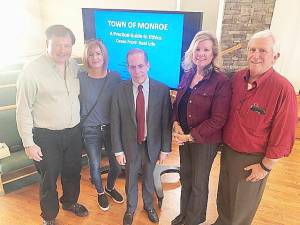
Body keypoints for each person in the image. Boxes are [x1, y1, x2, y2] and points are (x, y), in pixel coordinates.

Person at [214, 30, 297, 225]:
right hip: (228, 153)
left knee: (239, 211)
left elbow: (283, 136)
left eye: (262, 51)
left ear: (275, 57)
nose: (255, 55)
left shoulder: (283, 90)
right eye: (252, 49)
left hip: (252, 160)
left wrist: (265, 167)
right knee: (224, 199)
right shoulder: (237, 78)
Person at [16, 25, 88, 225]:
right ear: (46, 44)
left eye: (67, 45)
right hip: (46, 136)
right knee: (49, 178)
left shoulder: (73, 65)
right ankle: (49, 216)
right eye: (57, 45)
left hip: (73, 132)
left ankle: (70, 202)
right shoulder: (31, 71)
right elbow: (22, 110)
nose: (63, 50)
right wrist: (29, 143)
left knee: (73, 172)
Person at [171, 31, 231, 225]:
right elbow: (178, 103)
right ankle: (184, 216)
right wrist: (175, 122)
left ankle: (193, 220)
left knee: (198, 183)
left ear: (213, 54)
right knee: (186, 178)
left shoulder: (221, 82)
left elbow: (219, 119)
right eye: (197, 49)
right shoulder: (188, 75)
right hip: (184, 138)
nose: (201, 53)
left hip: (204, 142)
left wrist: (190, 136)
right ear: (191, 52)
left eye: (206, 49)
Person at [111, 48, 172, 225]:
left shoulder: (161, 90)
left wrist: (165, 148)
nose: (137, 71)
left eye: (140, 66)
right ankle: (130, 208)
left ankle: (148, 206)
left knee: (148, 177)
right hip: (130, 145)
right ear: (128, 68)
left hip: (152, 143)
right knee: (130, 177)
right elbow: (115, 122)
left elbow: (165, 122)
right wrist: (117, 150)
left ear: (148, 65)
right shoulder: (119, 90)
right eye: (132, 67)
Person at [79, 39, 123, 211]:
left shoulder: (115, 76)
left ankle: (110, 188)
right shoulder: (81, 78)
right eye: (91, 54)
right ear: (86, 58)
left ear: (104, 55)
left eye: (98, 53)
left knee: (117, 165)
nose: (95, 57)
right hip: (90, 130)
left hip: (112, 128)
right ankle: (100, 192)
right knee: (95, 165)